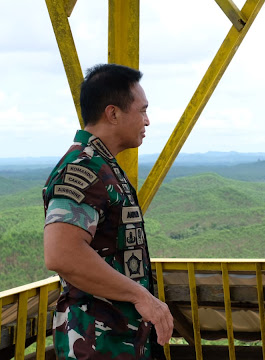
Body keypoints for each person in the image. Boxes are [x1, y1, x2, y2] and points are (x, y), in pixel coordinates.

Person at [43, 63, 173, 359]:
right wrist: (143, 298)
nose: (148, 120)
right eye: (142, 110)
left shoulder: (103, 166)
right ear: (113, 113)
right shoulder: (82, 168)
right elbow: (62, 253)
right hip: (95, 344)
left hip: (119, 341)